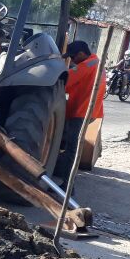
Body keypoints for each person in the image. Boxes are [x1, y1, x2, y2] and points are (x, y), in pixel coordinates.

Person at [55, 40, 105, 180]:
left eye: (73, 56)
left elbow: (65, 80)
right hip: (85, 111)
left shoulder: (87, 65)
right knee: (69, 144)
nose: (71, 60)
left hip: (82, 112)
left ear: (82, 54)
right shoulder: (94, 62)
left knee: (72, 148)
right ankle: (62, 173)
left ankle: (67, 183)